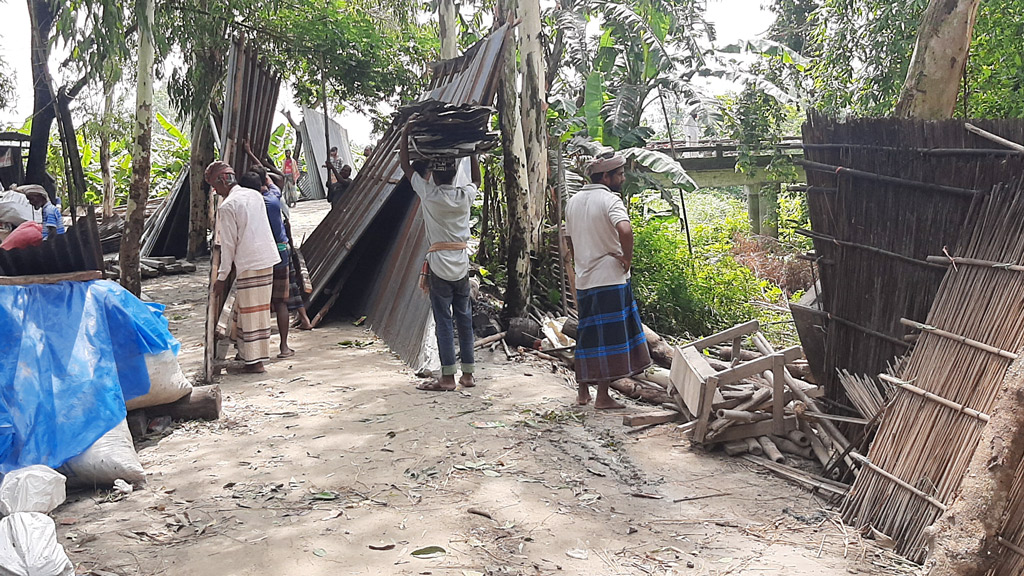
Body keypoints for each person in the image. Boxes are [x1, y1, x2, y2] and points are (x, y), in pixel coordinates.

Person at [564, 151, 652, 409]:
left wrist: (581, 257)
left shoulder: (573, 201)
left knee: (587, 334)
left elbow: (569, 237)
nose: (623, 178)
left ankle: (582, 392)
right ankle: (602, 396)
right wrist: (627, 258)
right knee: (611, 339)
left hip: (585, 279)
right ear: (605, 176)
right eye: (620, 174)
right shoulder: (610, 200)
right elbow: (625, 229)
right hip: (611, 279)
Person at [399, 122, 479, 392]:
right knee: (464, 319)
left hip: (438, 266)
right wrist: (473, 151)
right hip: (461, 265)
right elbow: (476, 180)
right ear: (456, 173)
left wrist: (405, 134)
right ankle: (468, 375)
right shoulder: (464, 196)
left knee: (443, 321)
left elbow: (406, 167)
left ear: (433, 176)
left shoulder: (429, 194)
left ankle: (447, 378)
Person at [205, 161, 281, 374]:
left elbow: (229, 244)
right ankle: (249, 355)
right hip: (266, 258)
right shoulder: (254, 195)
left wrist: (222, 277)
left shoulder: (228, 206)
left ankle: (255, 362)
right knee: (258, 311)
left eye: (215, 185)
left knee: (250, 313)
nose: (215, 191)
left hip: (249, 261)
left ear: (222, 181)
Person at [240, 171, 295, 359]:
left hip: (258, 256)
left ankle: (248, 351)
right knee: (281, 302)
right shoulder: (273, 199)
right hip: (280, 254)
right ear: (263, 182)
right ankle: (284, 347)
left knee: (255, 303)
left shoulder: (244, 205)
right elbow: (274, 180)